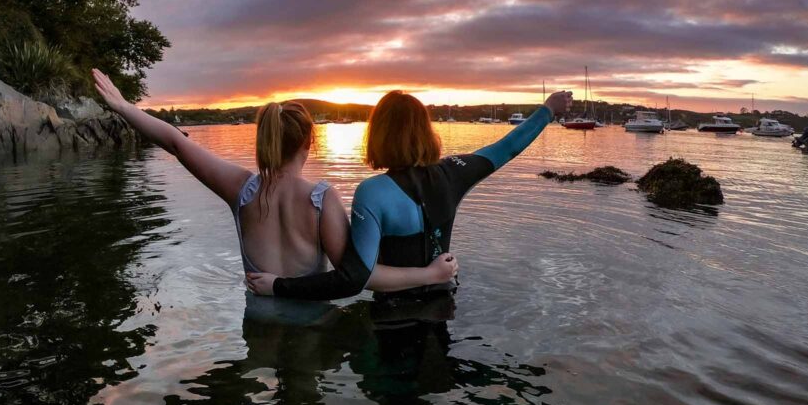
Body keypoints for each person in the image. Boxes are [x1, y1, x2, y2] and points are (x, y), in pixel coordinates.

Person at [91, 69, 457, 291]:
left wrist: (124, 107)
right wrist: (427, 274)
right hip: (313, 322)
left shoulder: (239, 189)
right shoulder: (321, 199)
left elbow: (174, 141)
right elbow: (356, 277)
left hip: (261, 317)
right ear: (309, 143)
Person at [247, 89, 573, 300]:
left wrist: (278, 286)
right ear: (425, 130)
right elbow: (508, 146)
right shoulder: (454, 172)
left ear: (377, 135)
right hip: (444, 301)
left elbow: (354, 278)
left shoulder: (372, 194)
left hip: (391, 318)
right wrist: (547, 109)